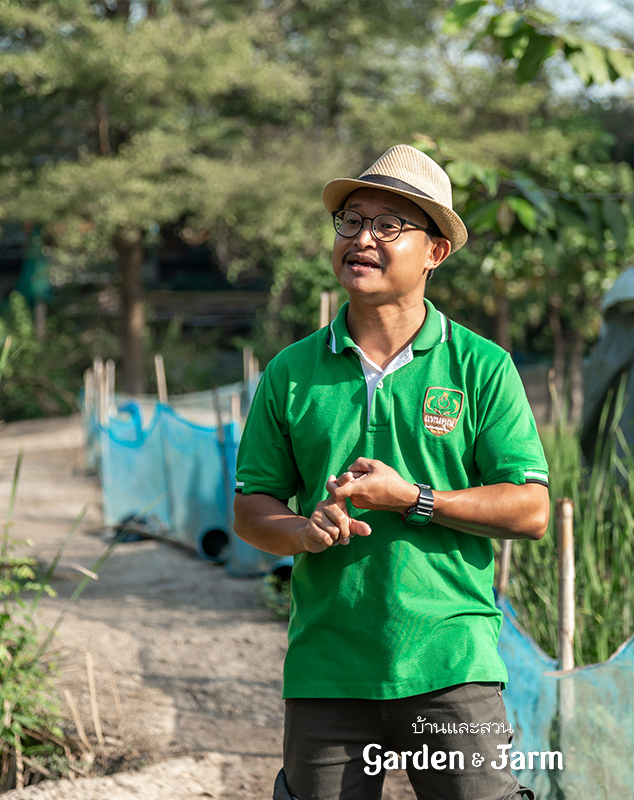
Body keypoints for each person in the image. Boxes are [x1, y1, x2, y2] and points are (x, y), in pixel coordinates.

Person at [233, 144, 550, 800]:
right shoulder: (291, 372)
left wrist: (414, 498)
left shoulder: (480, 366)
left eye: (388, 225)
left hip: (451, 664)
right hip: (328, 670)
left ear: (436, 251)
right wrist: (303, 530)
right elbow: (250, 508)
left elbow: (530, 509)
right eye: (351, 220)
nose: (363, 238)